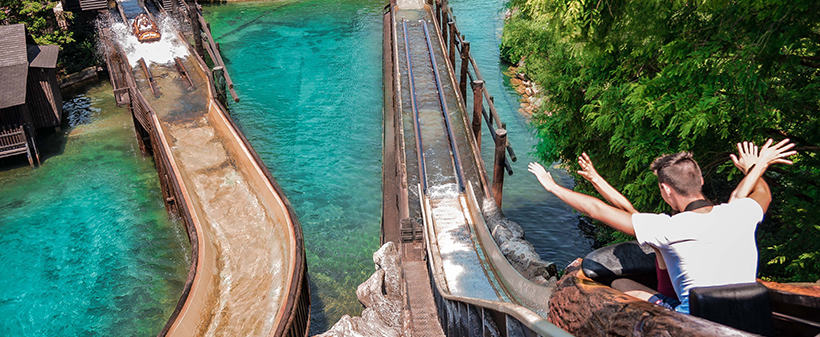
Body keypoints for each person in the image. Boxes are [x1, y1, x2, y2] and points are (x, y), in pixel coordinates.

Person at [528, 139, 796, 314]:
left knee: (621, 284)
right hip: (749, 312)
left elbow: (601, 210)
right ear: (700, 179)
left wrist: (553, 186)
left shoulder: (668, 229)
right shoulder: (740, 214)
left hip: (691, 318)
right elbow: (758, 195)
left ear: (666, 189)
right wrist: (755, 167)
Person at [575, 152, 679, 310]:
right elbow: (627, 209)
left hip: (671, 307)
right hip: (695, 303)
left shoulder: (663, 234)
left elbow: (598, 209)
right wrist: (595, 178)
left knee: (618, 283)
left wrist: (552, 187)